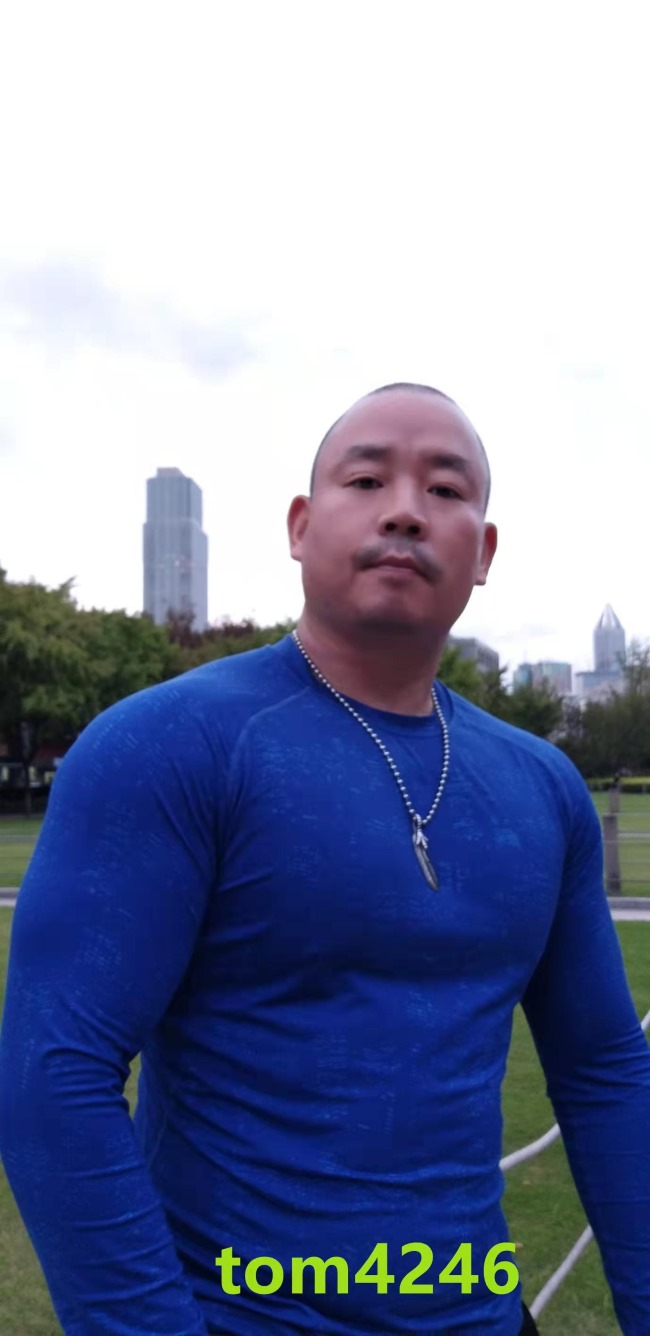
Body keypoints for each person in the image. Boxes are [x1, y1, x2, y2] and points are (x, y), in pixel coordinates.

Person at [0, 382, 648, 1335]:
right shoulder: (169, 747)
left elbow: (603, 1071)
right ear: (301, 527)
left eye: (445, 489)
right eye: (367, 478)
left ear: (484, 552)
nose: (404, 509)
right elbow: (54, 1074)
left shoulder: (542, 788)